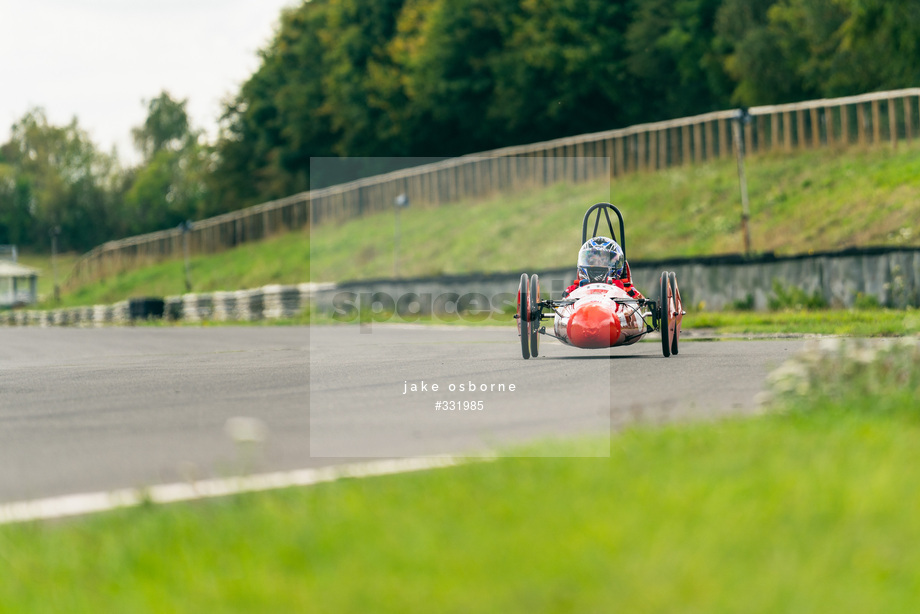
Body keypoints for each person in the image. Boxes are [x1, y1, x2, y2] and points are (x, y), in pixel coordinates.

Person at [562, 236, 644, 299]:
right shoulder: (574, 289)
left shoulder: (625, 288)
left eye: (603, 261)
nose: (597, 264)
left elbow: (642, 304)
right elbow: (563, 308)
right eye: (593, 261)